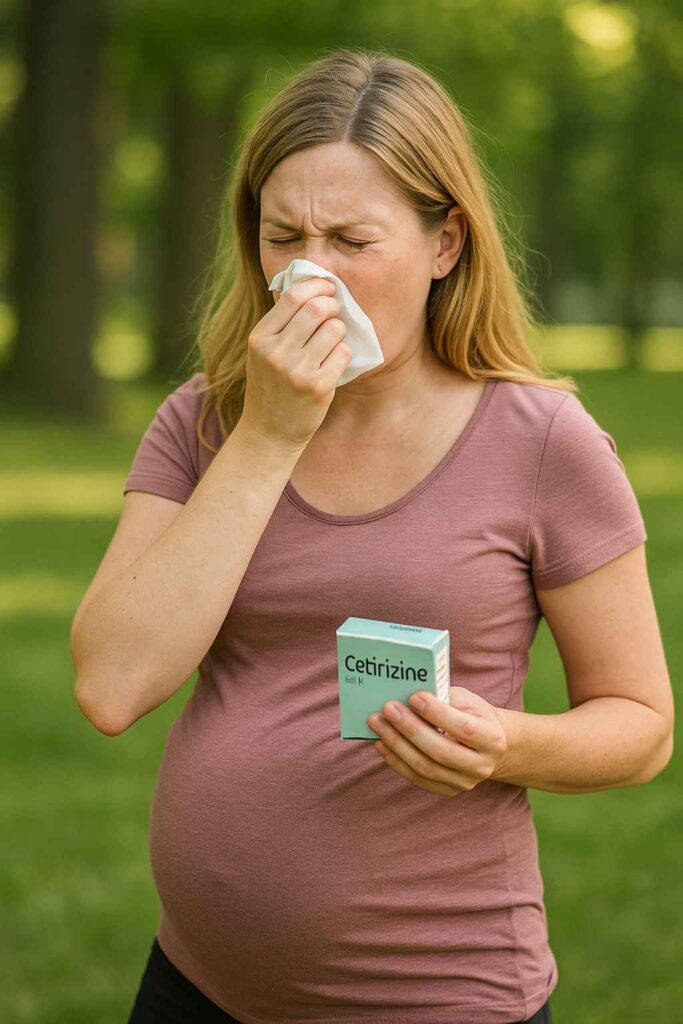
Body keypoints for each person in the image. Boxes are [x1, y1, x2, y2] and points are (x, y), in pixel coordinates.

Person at [70, 48, 673, 1024]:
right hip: (196, 987)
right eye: (282, 236)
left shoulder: (542, 441)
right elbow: (109, 683)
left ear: (444, 245)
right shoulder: (206, 422)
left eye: (352, 239)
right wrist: (266, 435)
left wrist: (502, 743)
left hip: (442, 996)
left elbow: (641, 725)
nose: (310, 273)